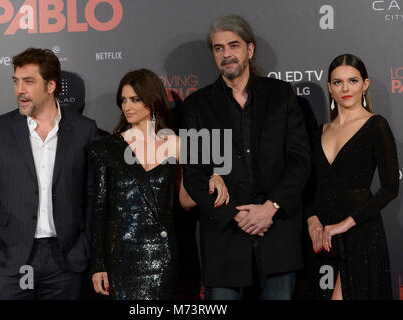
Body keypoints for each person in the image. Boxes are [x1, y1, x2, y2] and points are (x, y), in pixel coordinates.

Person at [181, 15, 311, 300]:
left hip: (277, 233)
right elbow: (193, 175)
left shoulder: (281, 96)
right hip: (225, 238)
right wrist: (233, 216)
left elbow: (300, 161)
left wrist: (271, 207)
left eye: (233, 45)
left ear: (249, 50)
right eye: (218, 48)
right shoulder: (196, 106)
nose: (226, 54)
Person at [0, 48, 98, 299]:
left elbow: (93, 196)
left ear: (50, 86)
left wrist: (87, 245)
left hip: (66, 259)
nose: (19, 90)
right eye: (16, 81)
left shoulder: (84, 130)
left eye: (28, 81)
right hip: (11, 256)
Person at [89, 68, 229, 300]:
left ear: (152, 101)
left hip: (161, 254)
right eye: (123, 100)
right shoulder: (105, 148)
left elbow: (186, 199)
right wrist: (98, 264)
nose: (127, 106)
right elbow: (100, 209)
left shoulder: (177, 144)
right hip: (120, 255)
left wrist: (214, 177)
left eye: (135, 99)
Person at [306, 54, 399, 300]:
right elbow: (308, 186)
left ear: (365, 84)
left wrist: (346, 223)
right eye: (337, 82)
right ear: (329, 88)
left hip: (360, 234)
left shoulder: (376, 125)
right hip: (322, 237)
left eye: (353, 81)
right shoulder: (319, 132)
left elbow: (390, 188)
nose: (345, 88)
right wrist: (312, 219)